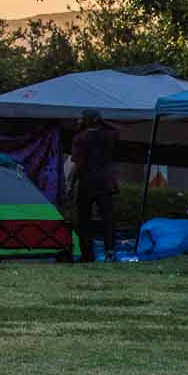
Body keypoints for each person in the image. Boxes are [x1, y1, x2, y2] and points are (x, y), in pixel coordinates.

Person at [67, 110, 119, 263]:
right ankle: (110, 252)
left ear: (85, 121)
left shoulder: (80, 138)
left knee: (84, 219)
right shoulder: (110, 136)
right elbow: (116, 130)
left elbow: (77, 164)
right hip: (106, 182)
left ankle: (87, 254)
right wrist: (102, 122)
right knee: (108, 218)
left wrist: (71, 183)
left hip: (87, 182)